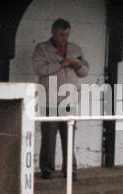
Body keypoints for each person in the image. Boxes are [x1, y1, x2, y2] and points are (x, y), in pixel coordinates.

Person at [32, 18, 89, 179]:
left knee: (69, 135)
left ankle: (70, 169)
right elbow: (39, 68)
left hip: (70, 99)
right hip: (49, 98)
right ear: (53, 33)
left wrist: (76, 64)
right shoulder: (42, 49)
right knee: (49, 136)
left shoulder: (75, 48)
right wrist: (62, 63)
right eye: (61, 35)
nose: (64, 38)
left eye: (67, 34)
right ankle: (47, 170)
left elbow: (84, 71)